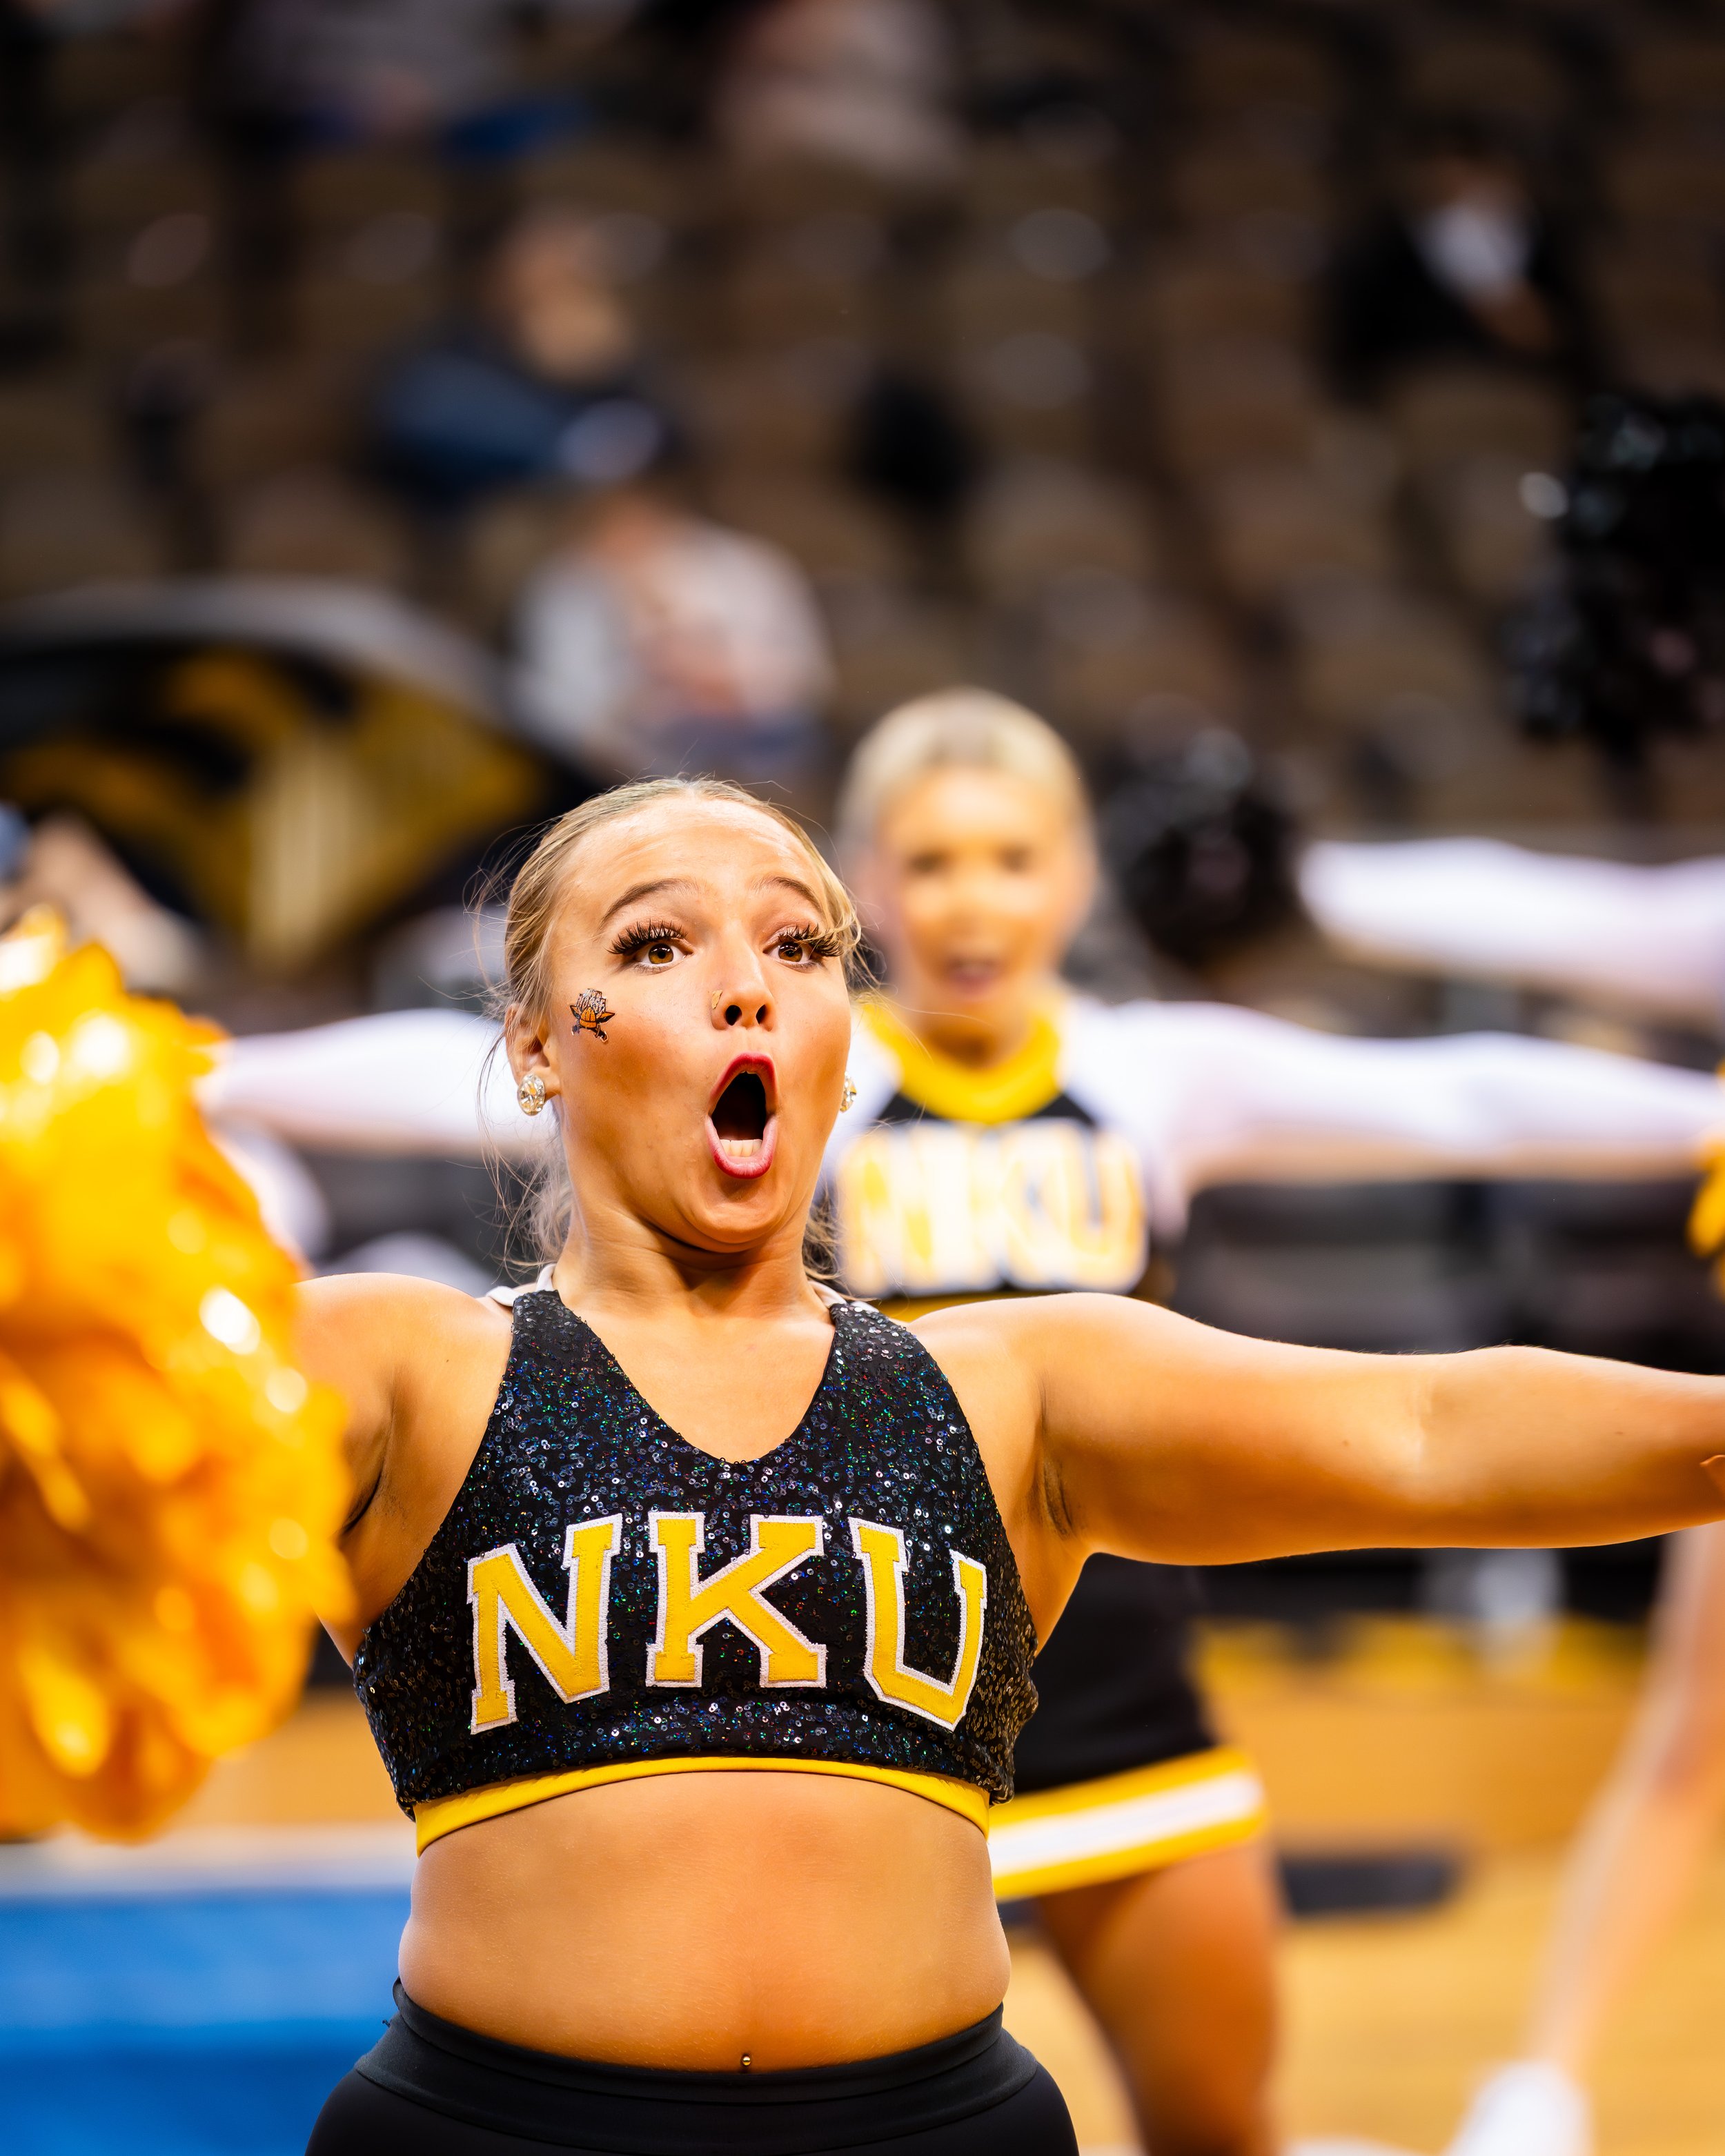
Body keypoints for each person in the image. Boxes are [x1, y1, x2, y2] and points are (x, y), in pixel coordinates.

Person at [201, 695, 1725, 2156]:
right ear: (535, 1042)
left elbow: (1424, 1423)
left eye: (795, 944)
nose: (743, 981)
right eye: (658, 941)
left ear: (838, 1037)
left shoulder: (1010, 1381)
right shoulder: (395, 1357)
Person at [513, 479, 835, 790]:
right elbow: (556, 710)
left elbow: (809, 677)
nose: (627, 528)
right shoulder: (564, 587)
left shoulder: (745, 564)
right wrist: (635, 704)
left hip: (764, 745)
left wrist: (732, 686)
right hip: (630, 769)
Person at [372, 204, 673, 515]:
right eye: (540, 259)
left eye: (570, 264)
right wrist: (567, 444)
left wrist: (603, 366)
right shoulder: (450, 351)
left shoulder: (619, 346)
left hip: (605, 516)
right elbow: (414, 419)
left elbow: (670, 436)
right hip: (490, 508)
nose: (555, 276)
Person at [1328, 118, 1588, 397]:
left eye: (1467, 168)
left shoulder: (1545, 241)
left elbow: (1575, 340)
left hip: (1525, 394)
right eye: (1436, 169)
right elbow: (1361, 352)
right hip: (1424, 397)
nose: (1452, 181)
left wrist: (1537, 326)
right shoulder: (1381, 250)